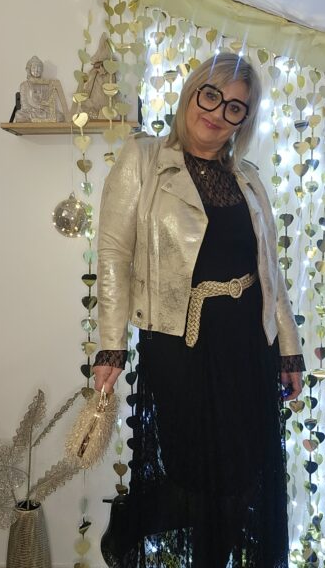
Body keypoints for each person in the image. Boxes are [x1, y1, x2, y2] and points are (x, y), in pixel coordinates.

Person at [94, 53, 305, 568]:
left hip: (248, 344)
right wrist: (111, 347)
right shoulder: (144, 159)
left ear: (243, 120)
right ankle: (135, 517)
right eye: (211, 96)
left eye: (235, 107)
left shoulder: (248, 179)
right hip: (179, 342)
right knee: (196, 476)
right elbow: (114, 253)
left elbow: (270, 272)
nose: (217, 113)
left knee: (243, 477)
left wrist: (289, 350)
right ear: (191, 93)